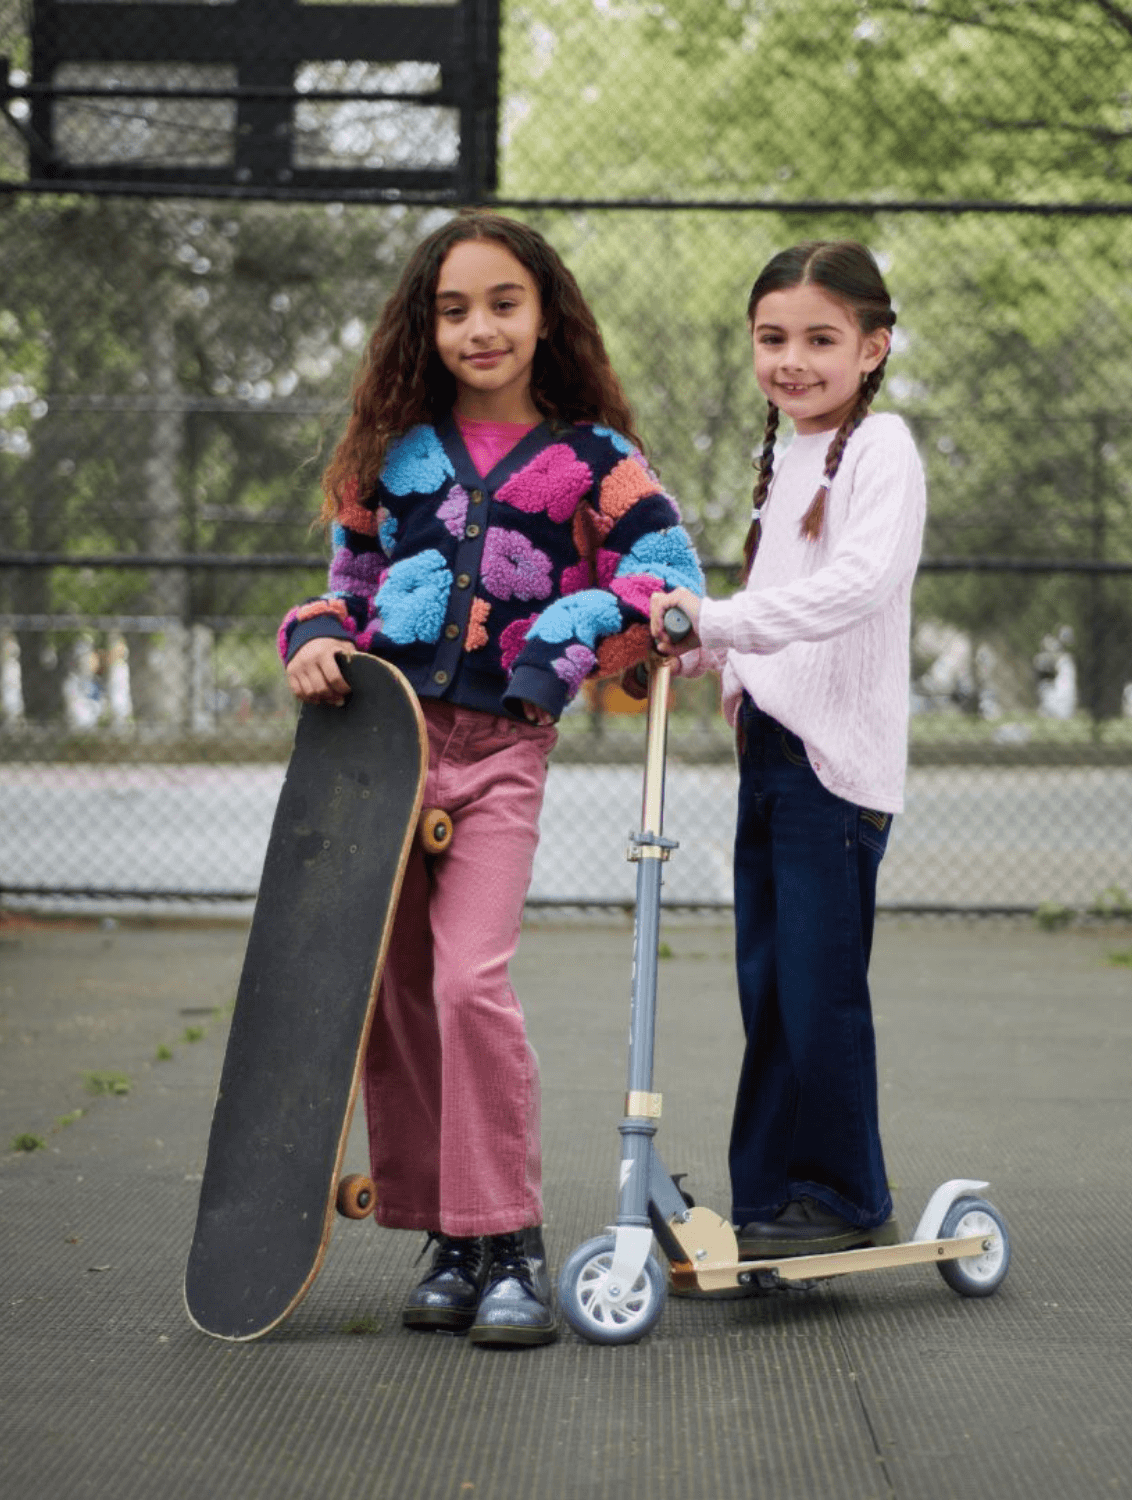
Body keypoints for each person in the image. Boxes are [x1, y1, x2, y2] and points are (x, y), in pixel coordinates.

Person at [280, 210, 704, 1344]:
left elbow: (663, 578)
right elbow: (343, 586)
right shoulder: (390, 456)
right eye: (454, 307)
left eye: (503, 303)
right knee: (399, 995)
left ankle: (509, 1233)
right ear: (425, 325)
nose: (480, 327)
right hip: (383, 751)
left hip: (500, 750)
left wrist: (558, 643)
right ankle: (447, 1236)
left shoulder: (596, 460)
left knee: (469, 983)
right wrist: (315, 641)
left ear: (544, 315)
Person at [648, 240, 926, 1261]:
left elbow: (857, 584)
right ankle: (770, 1198)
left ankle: (849, 1197)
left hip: (832, 766)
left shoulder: (882, 448)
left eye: (821, 338)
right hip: (769, 751)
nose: (793, 359)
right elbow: (769, 604)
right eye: (773, 338)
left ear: (873, 346)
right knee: (767, 984)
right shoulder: (782, 456)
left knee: (816, 986)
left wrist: (718, 623)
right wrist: (712, 659)